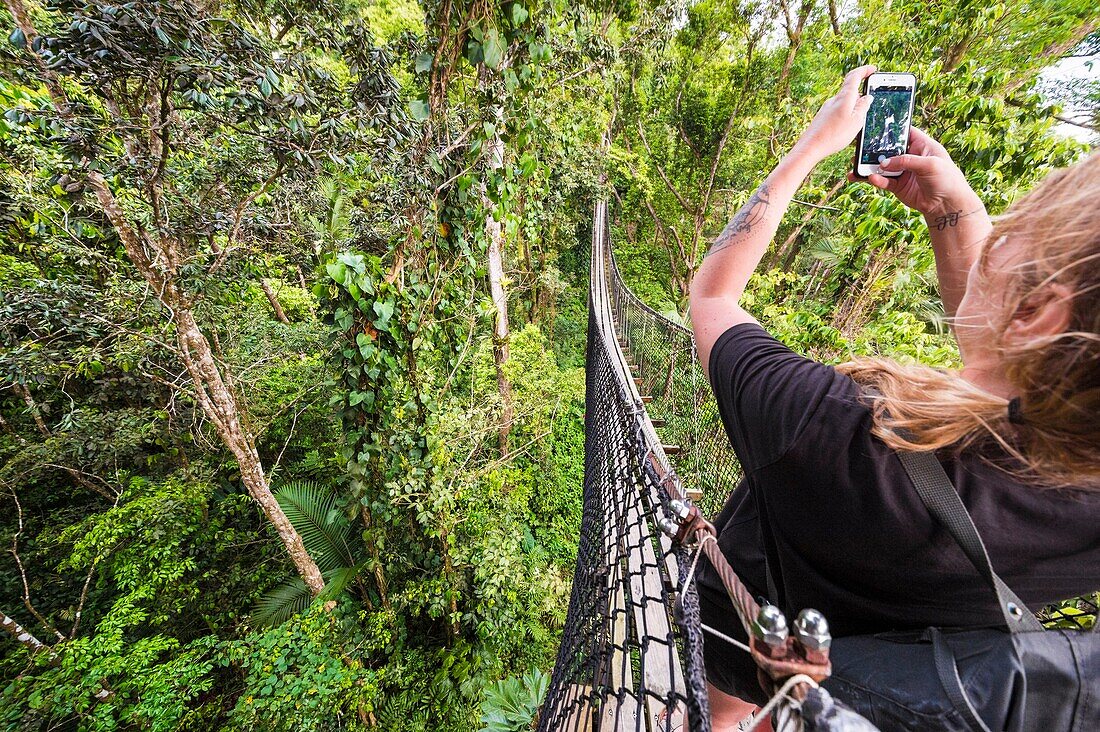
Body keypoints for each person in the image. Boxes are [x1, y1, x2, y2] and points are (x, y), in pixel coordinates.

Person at [688, 65, 1100, 730]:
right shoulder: (1083, 485)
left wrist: (811, 148)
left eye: (1016, 225)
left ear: (1039, 315)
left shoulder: (825, 426)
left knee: (722, 702)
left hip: (738, 624)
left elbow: (712, 295)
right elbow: (1006, 379)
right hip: (869, 691)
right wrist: (953, 209)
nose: (996, 231)